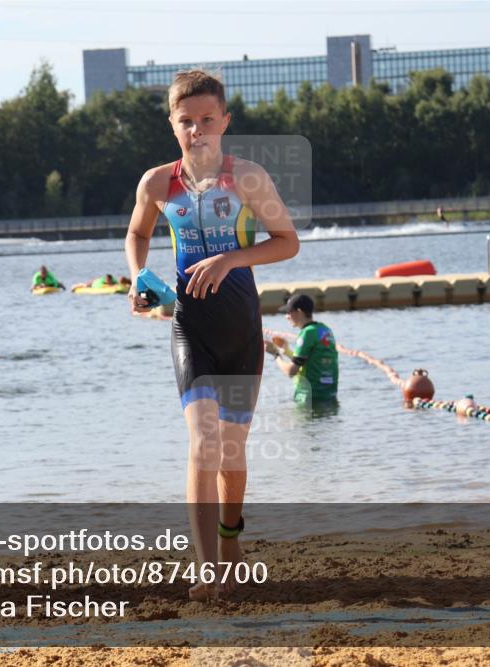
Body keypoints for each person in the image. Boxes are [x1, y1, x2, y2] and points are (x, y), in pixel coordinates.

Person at [124, 69, 299, 600]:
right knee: (202, 442)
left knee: (232, 455)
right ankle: (208, 570)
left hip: (241, 329)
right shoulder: (158, 183)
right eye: (186, 121)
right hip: (191, 328)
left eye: (206, 119)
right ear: (172, 124)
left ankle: (229, 539)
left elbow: (287, 241)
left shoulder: (247, 178)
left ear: (224, 121)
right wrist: (137, 276)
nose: (196, 129)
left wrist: (230, 259)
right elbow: (137, 232)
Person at [266, 294, 339, 406]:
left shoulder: (307, 333)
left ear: (299, 312)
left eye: (289, 312)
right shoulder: (325, 330)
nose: (286, 316)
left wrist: (275, 354)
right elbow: (309, 362)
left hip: (308, 400)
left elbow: (291, 372)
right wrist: (286, 350)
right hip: (329, 397)